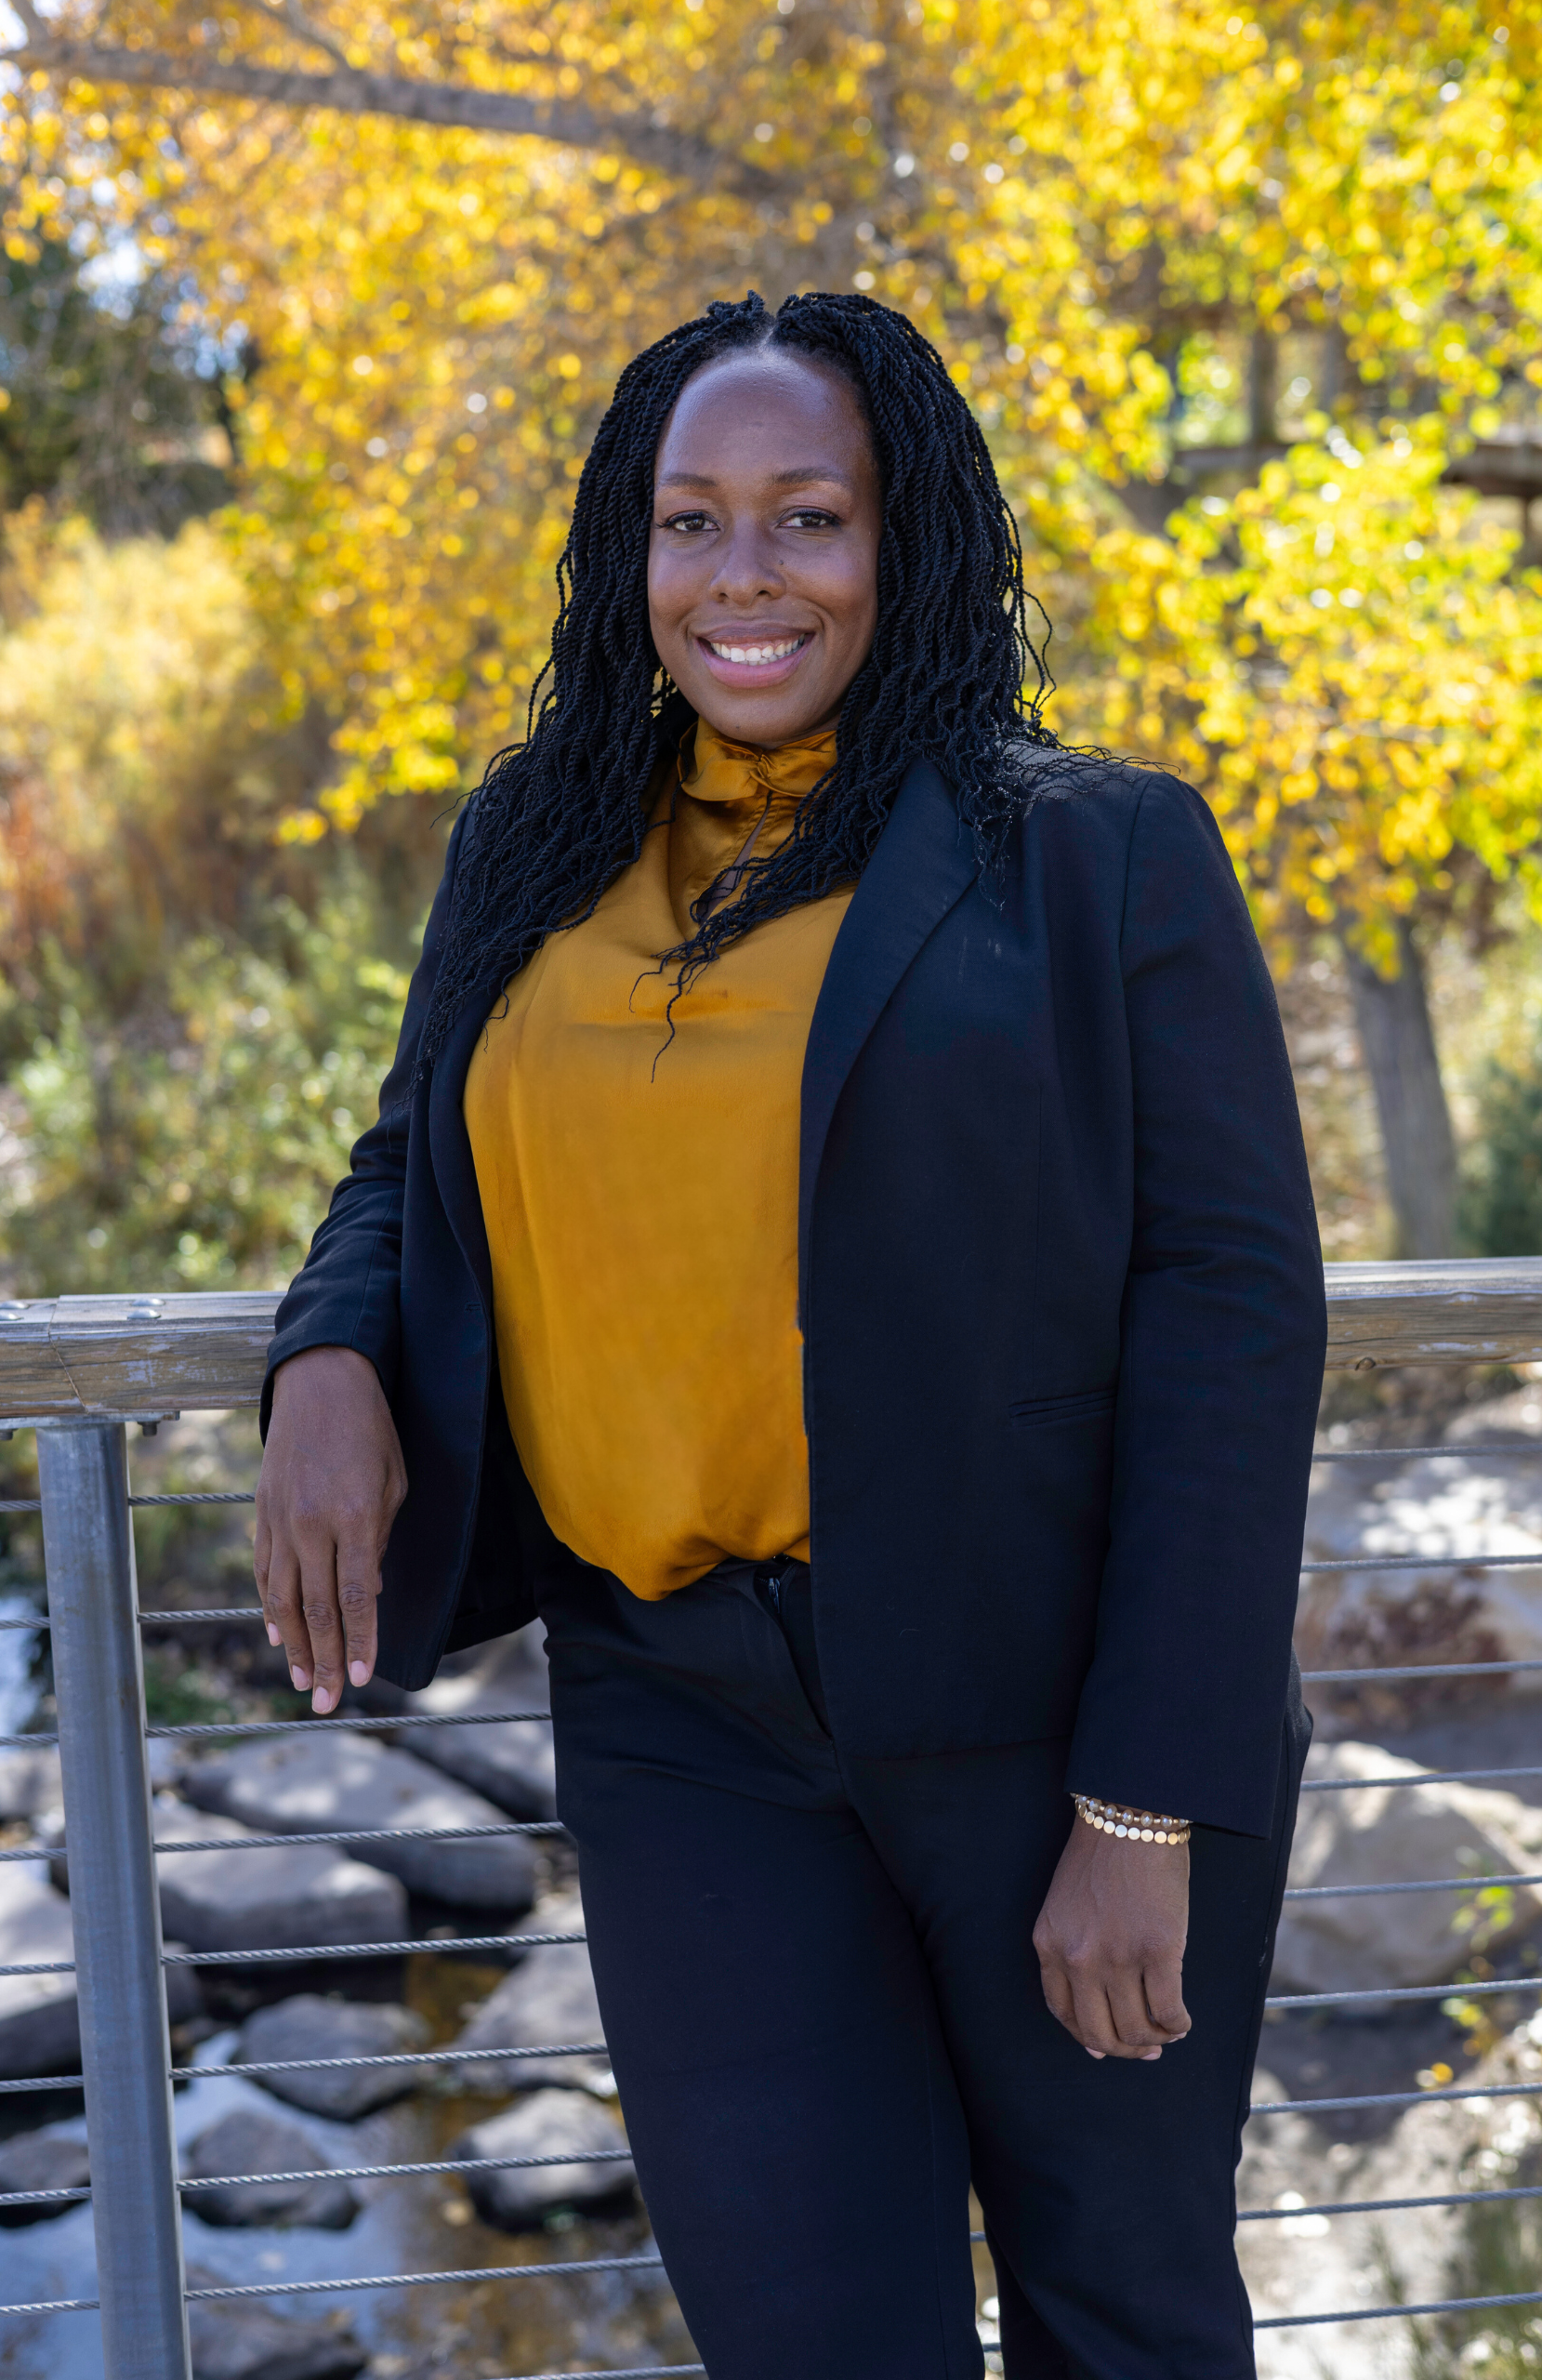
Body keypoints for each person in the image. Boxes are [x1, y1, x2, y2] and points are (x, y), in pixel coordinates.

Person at [256, 290, 1326, 2379]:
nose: (742, 577)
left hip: (1039, 1720)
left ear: (901, 537)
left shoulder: (1093, 853)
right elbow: (410, 1160)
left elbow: (1231, 1319)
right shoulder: (537, 839)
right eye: (692, 522)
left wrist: (1142, 1805)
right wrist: (323, 1354)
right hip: (679, 1715)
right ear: (627, 551)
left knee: (1124, 2325)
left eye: (807, 517)